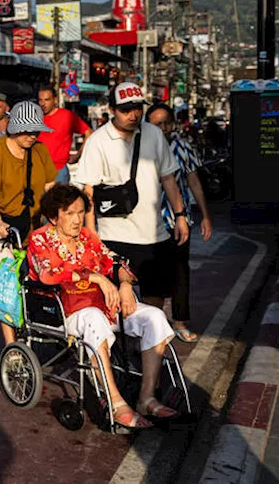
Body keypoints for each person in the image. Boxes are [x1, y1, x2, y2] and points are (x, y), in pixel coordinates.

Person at [27, 184, 180, 430]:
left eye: (80, 212)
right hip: (66, 311)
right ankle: (116, 403)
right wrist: (96, 277)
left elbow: (114, 260)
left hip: (104, 304)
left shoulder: (88, 237)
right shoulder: (40, 238)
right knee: (94, 318)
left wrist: (125, 284)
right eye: (70, 213)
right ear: (54, 216)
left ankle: (147, 398)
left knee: (153, 316)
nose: (77, 220)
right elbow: (49, 274)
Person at [73, 83, 190, 320]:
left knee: (155, 297)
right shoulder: (98, 141)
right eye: (126, 109)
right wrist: (91, 234)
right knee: (116, 296)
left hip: (154, 234)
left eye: (137, 108)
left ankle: (147, 344)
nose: (133, 115)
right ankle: (122, 347)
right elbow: (89, 193)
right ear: (112, 109)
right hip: (114, 236)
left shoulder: (154, 134)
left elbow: (168, 178)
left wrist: (180, 216)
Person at [0, 101, 58, 344]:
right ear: (14, 127)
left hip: (28, 224)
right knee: (8, 281)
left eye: (36, 131)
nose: (32, 136)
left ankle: (35, 327)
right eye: (27, 130)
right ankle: (11, 344)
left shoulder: (39, 151)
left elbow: (50, 187)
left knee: (35, 277)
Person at [146, 103, 214, 342]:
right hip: (145, 222)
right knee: (150, 274)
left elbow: (194, 182)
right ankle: (152, 324)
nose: (163, 128)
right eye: (157, 124)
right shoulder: (139, 147)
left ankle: (179, 321)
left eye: (166, 123)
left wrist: (205, 215)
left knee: (179, 272)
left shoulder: (181, 147)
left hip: (177, 221)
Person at [37, 85, 92, 184]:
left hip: (58, 171)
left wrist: (78, 155)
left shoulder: (66, 116)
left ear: (55, 100)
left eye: (47, 100)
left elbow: (89, 133)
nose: (43, 104)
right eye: (40, 100)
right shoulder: (34, 117)